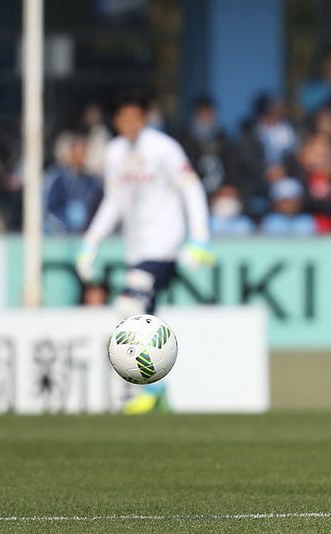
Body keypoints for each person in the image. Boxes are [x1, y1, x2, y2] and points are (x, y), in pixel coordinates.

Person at [75, 91, 214, 414]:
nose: (129, 124)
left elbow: (191, 187)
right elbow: (113, 201)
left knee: (130, 305)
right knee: (141, 316)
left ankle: (153, 388)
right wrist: (91, 241)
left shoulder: (164, 148)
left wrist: (199, 238)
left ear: (144, 118)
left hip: (164, 244)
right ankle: (156, 389)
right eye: (123, 118)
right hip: (136, 248)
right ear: (115, 120)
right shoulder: (114, 152)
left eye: (135, 117)